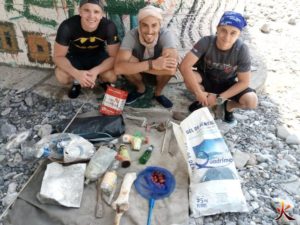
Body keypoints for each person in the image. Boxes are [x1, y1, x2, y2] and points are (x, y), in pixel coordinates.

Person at [179, 11, 258, 123]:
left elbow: (244, 82)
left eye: (233, 33)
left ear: (238, 34)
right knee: (190, 79)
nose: (227, 37)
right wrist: (198, 93)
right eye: (223, 31)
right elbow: (184, 66)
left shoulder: (242, 50)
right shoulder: (206, 42)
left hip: (227, 83)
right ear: (217, 28)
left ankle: (228, 107)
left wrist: (220, 99)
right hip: (206, 78)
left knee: (251, 100)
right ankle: (202, 101)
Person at [114, 5, 178, 108]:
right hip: (138, 74)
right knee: (129, 61)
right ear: (139, 25)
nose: (149, 31)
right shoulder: (132, 35)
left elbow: (171, 70)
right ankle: (141, 89)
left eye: (154, 25)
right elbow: (118, 69)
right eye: (145, 25)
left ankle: (158, 93)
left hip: (156, 73)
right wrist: (151, 64)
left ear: (159, 25)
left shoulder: (166, 35)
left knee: (167, 65)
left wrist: (139, 67)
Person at [53, 0, 120, 99]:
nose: (91, 16)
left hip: (98, 56)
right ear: (80, 11)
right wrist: (76, 73)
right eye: (86, 10)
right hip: (75, 56)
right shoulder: (67, 26)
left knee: (112, 76)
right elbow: (58, 57)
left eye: (96, 12)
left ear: (102, 14)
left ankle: (101, 80)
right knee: (61, 76)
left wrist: (95, 71)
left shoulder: (108, 26)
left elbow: (115, 57)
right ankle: (77, 82)